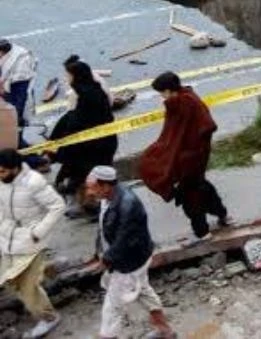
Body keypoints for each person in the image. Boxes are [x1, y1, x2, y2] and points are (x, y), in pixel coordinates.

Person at [139, 72, 230, 243]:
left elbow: (204, 127)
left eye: (162, 93)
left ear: (168, 90)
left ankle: (202, 232)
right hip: (193, 158)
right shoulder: (187, 98)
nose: (162, 97)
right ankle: (222, 214)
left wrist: (187, 154)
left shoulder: (184, 104)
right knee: (202, 187)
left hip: (190, 159)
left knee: (190, 196)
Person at [85, 166, 175, 339]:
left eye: (92, 187)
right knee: (143, 290)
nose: (89, 192)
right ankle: (164, 330)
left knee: (113, 306)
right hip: (131, 258)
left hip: (129, 262)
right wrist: (99, 252)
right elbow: (104, 228)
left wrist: (107, 259)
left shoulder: (128, 205)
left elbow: (124, 239)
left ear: (105, 186)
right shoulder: (107, 198)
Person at [0, 148, 65, 339]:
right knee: (10, 279)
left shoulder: (34, 182)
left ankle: (49, 317)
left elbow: (58, 205)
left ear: (15, 168)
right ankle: (45, 273)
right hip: (8, 239)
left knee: (27, 286)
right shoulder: (3, 181)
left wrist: (38, 232)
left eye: (3, 171)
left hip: (31, 241)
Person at [48, 60, 116, 218]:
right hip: (96, 144)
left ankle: (93, 208)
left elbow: (76, 124)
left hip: (92, 148)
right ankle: (88, 206)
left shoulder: (84, 96)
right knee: (81, 177)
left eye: (69, 75)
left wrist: (59, 147)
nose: (67, 79)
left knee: (87, 177)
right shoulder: (92, 89)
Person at [0, 40, 36, 141]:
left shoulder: (21, 67)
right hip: (8, 96)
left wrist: (16, 116)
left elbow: (21, 97)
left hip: (14, 98)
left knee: (15, 128)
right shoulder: (7, 59)